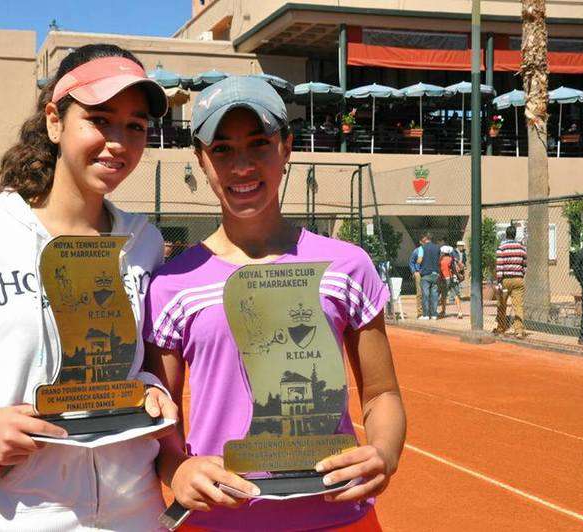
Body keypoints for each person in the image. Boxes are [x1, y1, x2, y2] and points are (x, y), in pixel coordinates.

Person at [0, 44, 179, 530]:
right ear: (54, 121)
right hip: (19, 514)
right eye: (100, 119)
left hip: (136, 510)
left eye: (136, 125)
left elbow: (136, 364)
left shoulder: (144, 241)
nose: (119, 142)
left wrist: (147, 387)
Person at [144, 76, 406, 531]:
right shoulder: (173, 282)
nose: (241, 165)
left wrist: (384, 454)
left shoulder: (348, 265)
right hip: (218, 522)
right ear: (201, 160)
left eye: (259, 144)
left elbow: (381, 393)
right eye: (221, 149)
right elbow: (162, 420)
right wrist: (177, 469)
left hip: (338, 518)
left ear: (287, 147)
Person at [494, 225, 527, 339]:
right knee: (518, 305)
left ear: (506, 234)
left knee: (502, 304)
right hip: (518, 279)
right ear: (515, 234)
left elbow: (499, 265)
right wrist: (521, 275)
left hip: (505, 279)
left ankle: (501, 327)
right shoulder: (521, 248)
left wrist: (499, 281)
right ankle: (518, 330)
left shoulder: (502, 247)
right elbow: (524, 265)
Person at [417, 233, 441, 320]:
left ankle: (426, 314)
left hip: (425, 274)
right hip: (435, 274)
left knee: (425, 295)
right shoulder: (438, 248)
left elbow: (419, 260)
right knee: (434, 295)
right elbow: (439, 260)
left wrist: (418, 265)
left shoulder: (421, 248)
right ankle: (434, 314)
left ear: (425, 239)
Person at [438, 245, 463, 319]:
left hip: (443, 279)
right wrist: (458, 275)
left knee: (443, 295)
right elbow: (454, 269)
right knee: (456, 295)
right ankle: (460, 311)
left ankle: (443, 311)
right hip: (451, 278)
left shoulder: (440, 260)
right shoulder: (451, 259)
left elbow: (440, 270)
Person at [408, 238, 424, 318]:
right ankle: (420, 313)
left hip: (428, 273)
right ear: (420, 242)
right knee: (420, 293)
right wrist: (414, 272)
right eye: (423, 241)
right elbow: (411, 262)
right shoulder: (417, 251)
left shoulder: (429, 250)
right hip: (419, 273)